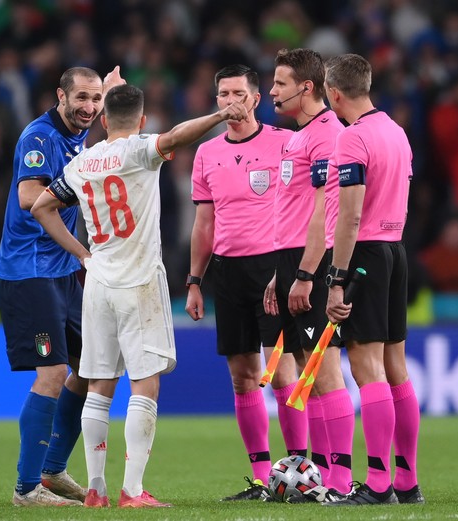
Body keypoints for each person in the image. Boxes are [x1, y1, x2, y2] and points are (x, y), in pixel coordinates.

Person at [31, 83, 251, 508]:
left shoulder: (84, 162)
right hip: (140, 282)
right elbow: (177, 137)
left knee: (98, 386)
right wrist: (220, 116)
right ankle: (132, 490)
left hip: (96, 283)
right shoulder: (140, 150)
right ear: (143, 121)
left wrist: (82, 254)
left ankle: (95, 490)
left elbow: (40, 206)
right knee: (144, 384)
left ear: (104, 120)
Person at [0, 65, 125, 507]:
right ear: (60, 96)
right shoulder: (39, 137)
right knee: (52, 374)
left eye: (96, 99)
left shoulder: (77, 133)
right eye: (82, 99)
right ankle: (26, 489)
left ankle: (51, 471)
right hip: (29, 271)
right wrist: (76, 194)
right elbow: (31, 198)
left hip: (62, 272)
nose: (89, 107)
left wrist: (109, 91)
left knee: (93, 368)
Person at [184, 64, 306, 500]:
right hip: (228, 272)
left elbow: (307, 208)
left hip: (275, 267)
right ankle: (259, 480)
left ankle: (298, 473)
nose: (229, 100)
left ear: (256, 98)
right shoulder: (206, 153)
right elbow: (204, 223)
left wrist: (293, 267)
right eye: (222, 94)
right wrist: (195, 280)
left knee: (280, 372)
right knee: (242, 377)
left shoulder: (287, 143)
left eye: (238, 92)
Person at [323, 53, 424, 506]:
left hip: (363, 252)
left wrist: (337, 278)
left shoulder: (352, 139)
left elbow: (350, 214)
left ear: (333, 93)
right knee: (396, 368)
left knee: (367, 369)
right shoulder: (397, 134)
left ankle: (379, 484)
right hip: (395, 249)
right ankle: (407, 481)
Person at [263, 48, 355, 502]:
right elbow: (296, 208)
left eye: (279, 83)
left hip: (309, 262)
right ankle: (323, 476)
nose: (272, 91)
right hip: (290, 260)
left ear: (307, 87)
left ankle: (341, 480)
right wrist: (280, 273)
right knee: (304, 369)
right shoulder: (300, 136)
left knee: (325, 369)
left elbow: (326, 210)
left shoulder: (326, 136)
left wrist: (305, 273)